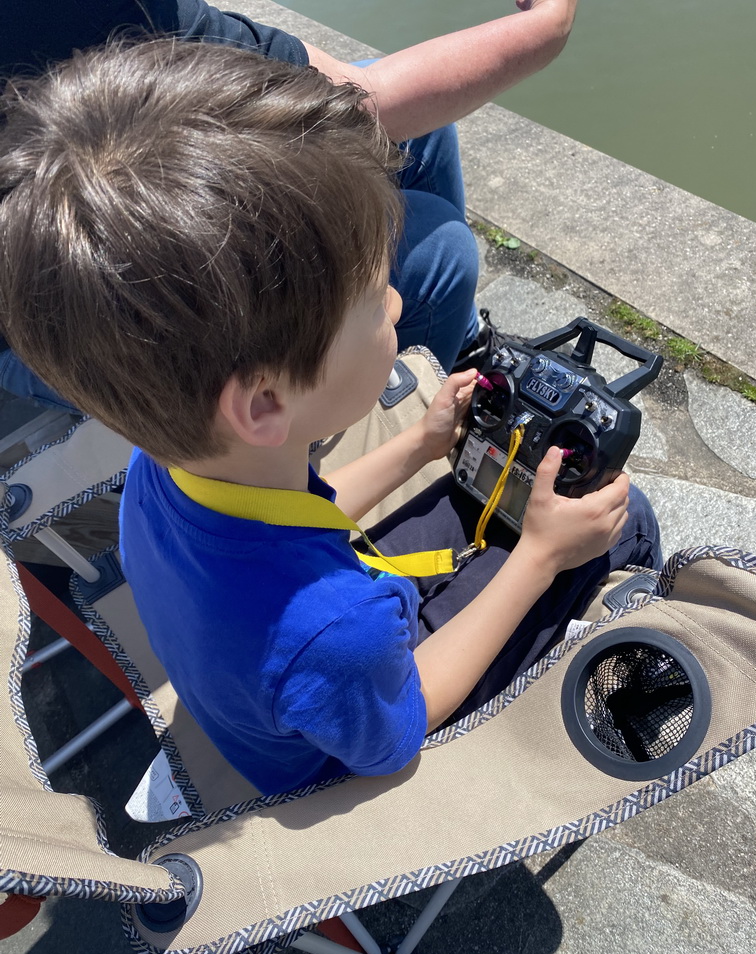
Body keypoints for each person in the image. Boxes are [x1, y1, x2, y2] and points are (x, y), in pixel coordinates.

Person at [0, 40, 660, 796]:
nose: (399, 307)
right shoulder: (334, 630)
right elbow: (402, 722)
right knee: (622, 518)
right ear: (265, 404)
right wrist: (540, 556)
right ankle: (626, 675)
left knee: (493, 503)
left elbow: (295, 521)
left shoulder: (163, 472)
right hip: (349, 737)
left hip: (288, 661)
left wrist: (418, 445)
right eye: (376, 302)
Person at [0, 0, 579, 406]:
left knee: (419, 133)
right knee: (437, 257)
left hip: (69, 214)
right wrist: (548, 28)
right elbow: (359, 109)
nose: (389, 302)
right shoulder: (80, 10)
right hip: (53, 321)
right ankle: (399, 399)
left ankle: (454, 342)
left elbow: (348, 96)